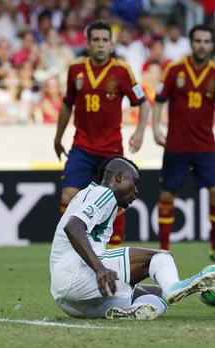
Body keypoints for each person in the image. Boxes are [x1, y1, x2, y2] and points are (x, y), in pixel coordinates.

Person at [50, 156, 215, 320]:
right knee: (160, 257)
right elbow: (73, 227)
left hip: (69, 301)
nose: (137, 191)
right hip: (76, 275)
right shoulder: (104, 193)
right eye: (135, 183)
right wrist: (99, 268)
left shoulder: (90, 194)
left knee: (159, 295)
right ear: (118, 177)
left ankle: (131, 310)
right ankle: (173, 287)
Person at [53, 21, 149, 249]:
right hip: (82, 148)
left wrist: (140, 132)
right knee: (68, 197)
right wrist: (57, 138)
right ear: (88, 43)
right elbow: (67, 105)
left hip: (111, 151)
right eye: (95, 40)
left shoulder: (122, 71)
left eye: (104, 40)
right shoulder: (76, 70)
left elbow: (143, 103)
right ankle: (67, 251)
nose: (100, 45)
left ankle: (113, 254)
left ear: (111, 43)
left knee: (116, 204)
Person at [152, 25, 215, 261]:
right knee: (167, 196)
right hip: (176, 146)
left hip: (205, 148)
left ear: (212, 45)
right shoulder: (174, 69)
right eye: (198, 40)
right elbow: (158, 100)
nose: (202, 45)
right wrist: (155, 126)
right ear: (191, 43)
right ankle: (163, 249)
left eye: (206, 41)